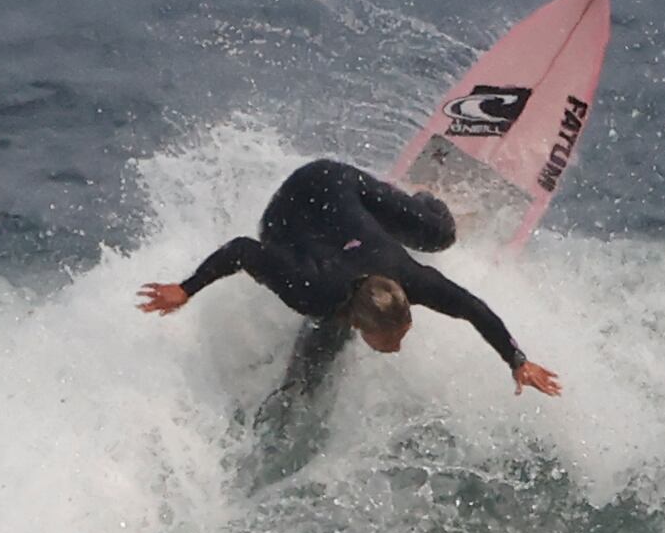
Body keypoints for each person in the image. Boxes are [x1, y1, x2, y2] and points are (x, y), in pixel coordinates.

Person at [137, 158, 561, 398]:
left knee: (441, 235)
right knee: (316, 357)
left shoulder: (411, 279)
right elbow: (243, 250)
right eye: (390, 340)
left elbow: (472, 308)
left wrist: (517, 361)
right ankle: (290, 402)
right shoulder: (309, 291)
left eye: (398, 336)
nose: (395, 348)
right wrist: (185, 289)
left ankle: (424, 193)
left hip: (343, 193)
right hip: (295, 208)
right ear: (360, 324)